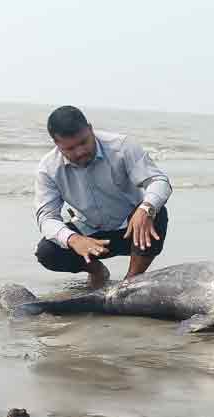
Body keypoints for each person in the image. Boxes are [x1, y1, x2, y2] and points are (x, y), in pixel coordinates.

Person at [34, 106, 172, 288]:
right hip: (92, 236)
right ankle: (98, 272)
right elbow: (46, 218)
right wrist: (73, 239)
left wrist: (146, 207)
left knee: (156, 212)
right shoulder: (48, 168)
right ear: (56, 144)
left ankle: (130, 282)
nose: (80, 152)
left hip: (132, 231)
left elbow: (158, 180)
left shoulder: (122, 146)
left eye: (84, 142)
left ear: (90, 129)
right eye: (70, 148)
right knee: (47, 252)